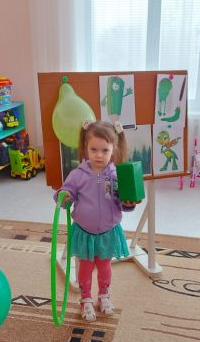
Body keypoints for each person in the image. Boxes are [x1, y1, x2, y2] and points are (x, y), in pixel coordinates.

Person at [54, 120, 139, 322]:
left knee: (105, 266)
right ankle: (86, 299)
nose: (99, 155)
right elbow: (66, 192)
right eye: (94, 149)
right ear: (85, 147)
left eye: (104, 150)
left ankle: (104, 295)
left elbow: (122, 202)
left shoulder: (117, 175)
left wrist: (128, 202)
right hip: (85, 232)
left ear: (113, 149)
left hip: (108, 232)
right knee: (85, 268)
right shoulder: (77, 175)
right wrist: (64, 196)